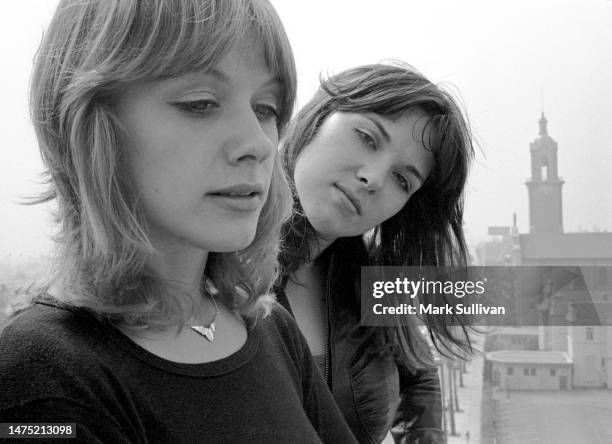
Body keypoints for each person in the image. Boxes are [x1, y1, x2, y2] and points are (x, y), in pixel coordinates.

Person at [0, 1, 357, 443]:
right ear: (89, 124)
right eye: (201, 103)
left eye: (266, 108)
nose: (259, 145)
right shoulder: (39, 378)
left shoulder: (270, 326)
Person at [277, 63, 475, 444]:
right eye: (367, 137)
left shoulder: (370, 279)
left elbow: (418, 371)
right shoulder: (206, 260)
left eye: (403, 179)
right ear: (319, 117)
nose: (373, 178)